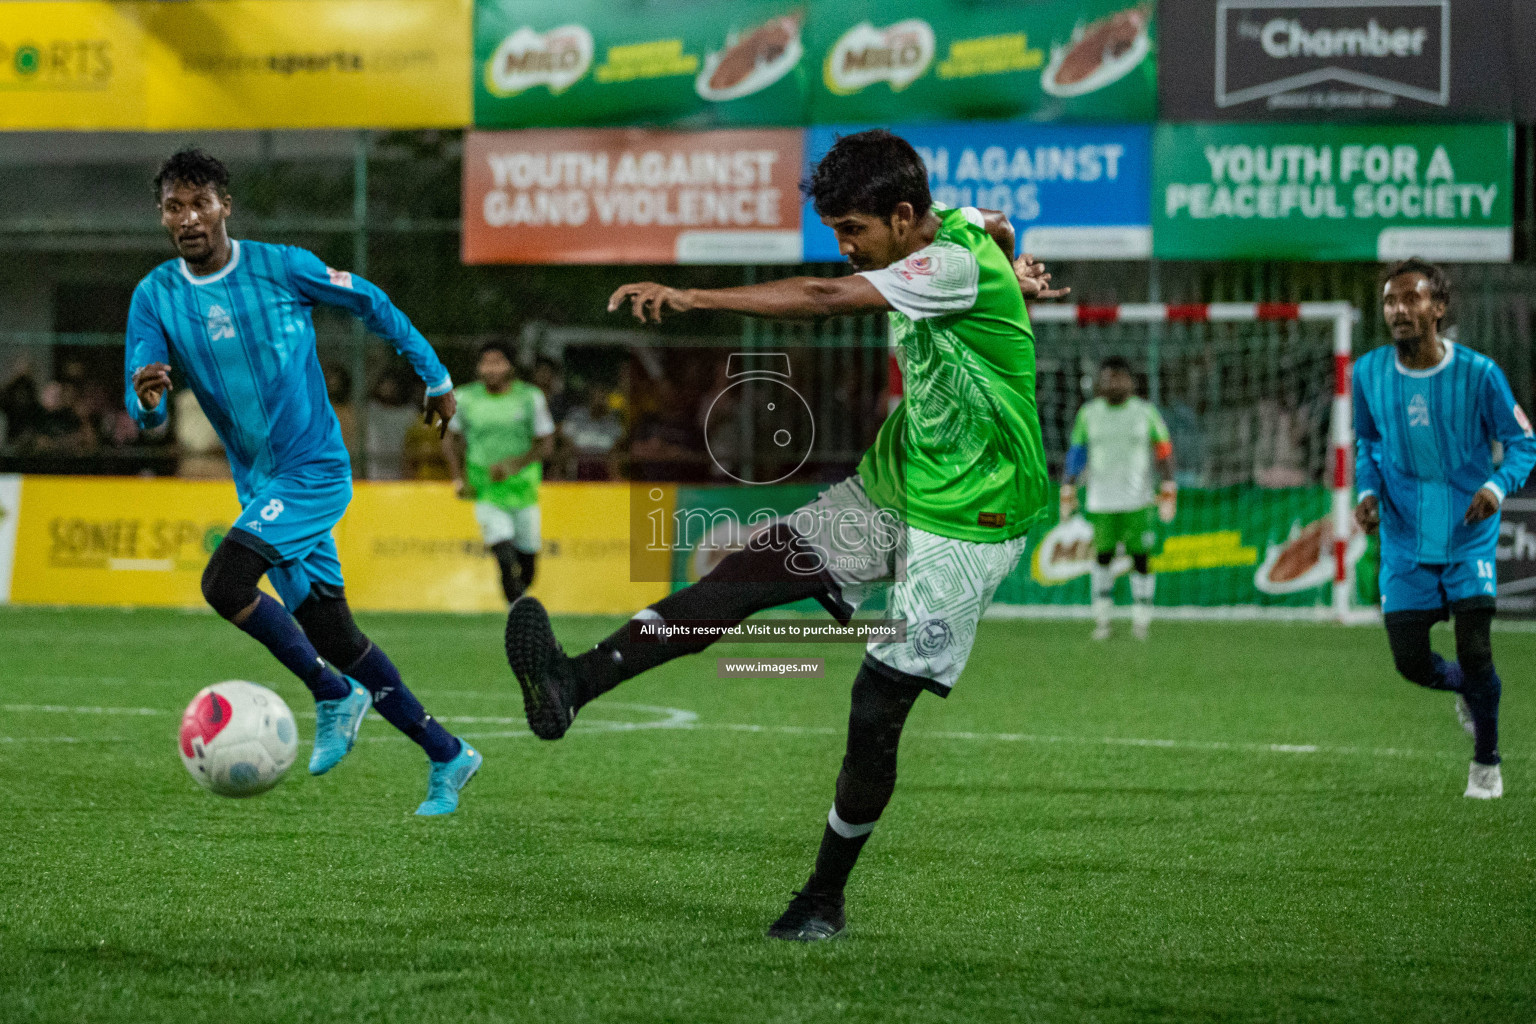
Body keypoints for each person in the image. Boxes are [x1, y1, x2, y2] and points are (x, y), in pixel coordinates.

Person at [503, 129, 1068, 941]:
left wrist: (695, 300)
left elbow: (826, 299)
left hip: (972, 518)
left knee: (876, 706)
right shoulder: (956, 224)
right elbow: (1000, 220)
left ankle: (822, 899)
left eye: (854, 234)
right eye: (836, 233)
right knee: (745, 574)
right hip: (898, 485)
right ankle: (571, 684)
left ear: (905, 216)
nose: (845, 251)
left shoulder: (946, 263)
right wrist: (1014, 266)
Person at [124, 148, 481, 815]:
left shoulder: (281, 266)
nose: (188, 217)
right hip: (260, 487)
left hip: (314, 471)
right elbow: (142, 405)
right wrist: (147, 399)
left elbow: (370, 301)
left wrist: (436, 378)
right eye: (175, 206)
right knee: (336, 634)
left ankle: (330, 692)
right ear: (162, 215)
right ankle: (447, 753)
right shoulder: (156, 295)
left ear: (225, 206)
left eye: (201, 202)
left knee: (224, 582)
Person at [1355, 259, 1536, 800]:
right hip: (1406, 533)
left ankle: (1486, 763)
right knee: (1411, 663)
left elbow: (1524, 443)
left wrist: (1496, 488)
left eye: (1412, 299)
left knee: (1476, 649)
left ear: (1438, 307)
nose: (1399, 311)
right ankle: (1469, 691)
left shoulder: (1480, 375)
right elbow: (1368, 443)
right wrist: (1366, 493)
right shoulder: (1367, 372)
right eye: (1391, 301)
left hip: (1467, 530)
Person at [1060, 356, 1176, 640]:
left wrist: (1169, 487)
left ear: (1131, 381)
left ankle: (1142, 618)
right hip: (1101, 500)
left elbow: (1163, 449)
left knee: (1140, 557)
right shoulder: (1088, 414)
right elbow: (1077, 452)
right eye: (1108, 378)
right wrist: (1068, 487)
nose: (1113, 383)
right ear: (1100, 383)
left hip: (1138, 499)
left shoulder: (1145, 412)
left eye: (1118, 377)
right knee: (1102, 556)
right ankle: (1102, 618)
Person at [443, 340, 555, 604]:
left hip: (524, 490)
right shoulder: (465, 397)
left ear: (510, 366)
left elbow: (546, 443)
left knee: (527, 565)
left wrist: (513, 465)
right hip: (485, 490)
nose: (491, 369)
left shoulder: (530, 397)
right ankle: (516, 611)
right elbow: (450, 438)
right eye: (485, 363)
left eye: (497, 362)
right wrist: (459, 477)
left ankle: (518, 600)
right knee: (503, 555)